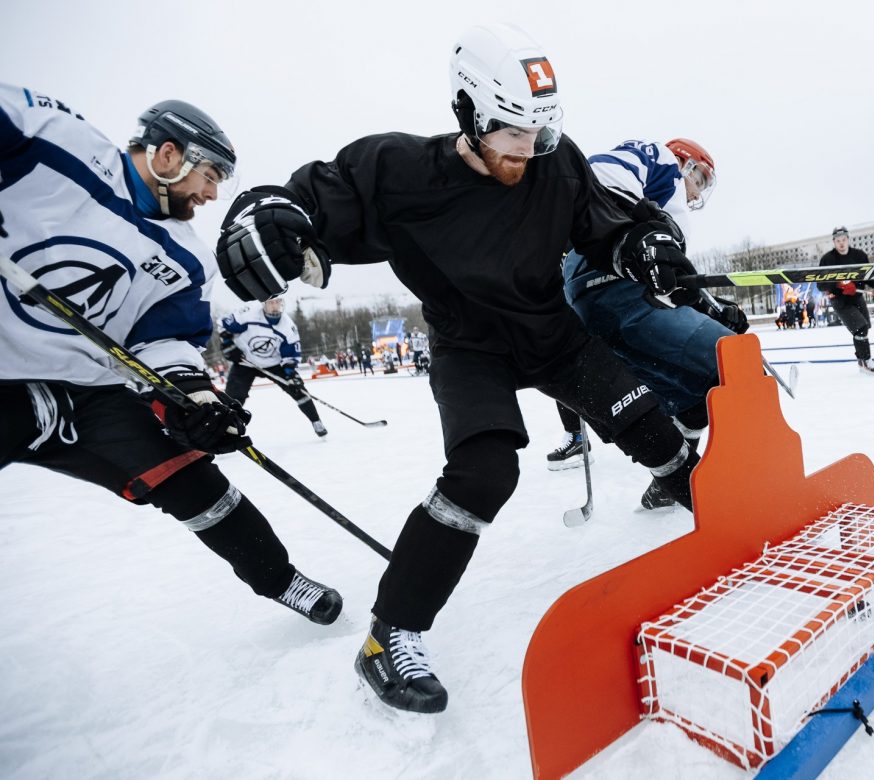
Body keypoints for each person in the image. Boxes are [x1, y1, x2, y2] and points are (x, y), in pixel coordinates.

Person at [214, 23, 703, 714]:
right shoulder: (396, 170)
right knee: (484, 472)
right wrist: (263, 216)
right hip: (467, 344)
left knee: (649, 425)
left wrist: (645, 242)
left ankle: (729, 516)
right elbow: (308, 202)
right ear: (469, 113)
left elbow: (609, 224)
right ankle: (392, 635)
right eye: (510, 133)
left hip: (550, 335)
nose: (526, 152)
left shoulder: (556, 164)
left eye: (540, 133)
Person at [0, 86, 342, 631]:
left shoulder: (186, 258)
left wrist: (195, 400)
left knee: (193, 481)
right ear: (169, 155)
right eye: (209, 177)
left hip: (90, 390)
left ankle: (280, 579)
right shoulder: (59, 142)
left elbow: (164, 340)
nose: (210, 196)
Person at [556, 137, 745, 508]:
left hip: (599, 307)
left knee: (692, 398)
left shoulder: (670, 223)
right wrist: (641, 228)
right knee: (739, 365)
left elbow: (666, 289)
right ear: (685, 163)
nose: (698, 192)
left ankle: (672, 483)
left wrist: (713, 309)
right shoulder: (660, 160)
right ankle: (754, 485)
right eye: (701, 179)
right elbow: (601, 173)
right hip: (612, 286)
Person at [219, 297, 327, 438]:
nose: (275, 306)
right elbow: (224, 326)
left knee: (298, 389)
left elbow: (290, 352)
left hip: (274, 364)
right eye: (271, 303)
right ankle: (225, 431)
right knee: (233, 397)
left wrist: (290, 372)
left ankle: (316, 421)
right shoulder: (248, 313)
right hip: (245, 362)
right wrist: (227, 344)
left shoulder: (287, 326)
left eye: (278, 302)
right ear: (264, 303)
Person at [817, 227, 874, 375]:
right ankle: (867, 363)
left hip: (857, 297)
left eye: (844, 240)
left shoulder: (859, 256)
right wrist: (838, 284)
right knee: (860, 327)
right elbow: (820, 284)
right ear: (834, 242)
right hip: (840, 300)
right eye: (838, 241)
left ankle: (862, 362)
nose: (841, 244)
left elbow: (868, 276)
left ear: (848, 239)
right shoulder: (828, 259)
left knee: (862, 330)